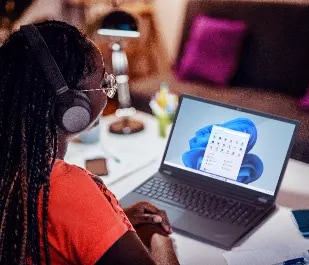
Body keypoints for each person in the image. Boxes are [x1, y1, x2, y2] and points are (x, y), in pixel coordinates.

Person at [0, 20, 180, 265]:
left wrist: (110, 222)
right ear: (72, 106)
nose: (108, 89)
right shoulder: (66, 187)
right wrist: (160, 239)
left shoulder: (14, 171)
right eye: (104, 84)